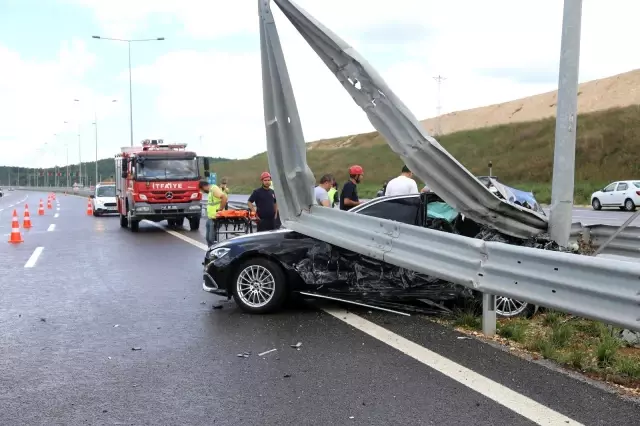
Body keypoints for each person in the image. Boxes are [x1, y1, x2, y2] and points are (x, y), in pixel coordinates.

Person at [199, 179, 228, 246]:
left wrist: (220, 209)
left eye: (202, 190)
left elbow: (224, 197)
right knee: (208, 238)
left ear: (203, 187)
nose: (202, 192)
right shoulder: (210, 191)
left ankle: (213, 253)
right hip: (210, 217)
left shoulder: (214, 189)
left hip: (216, 218)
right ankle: (210, 251)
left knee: (211, 239)